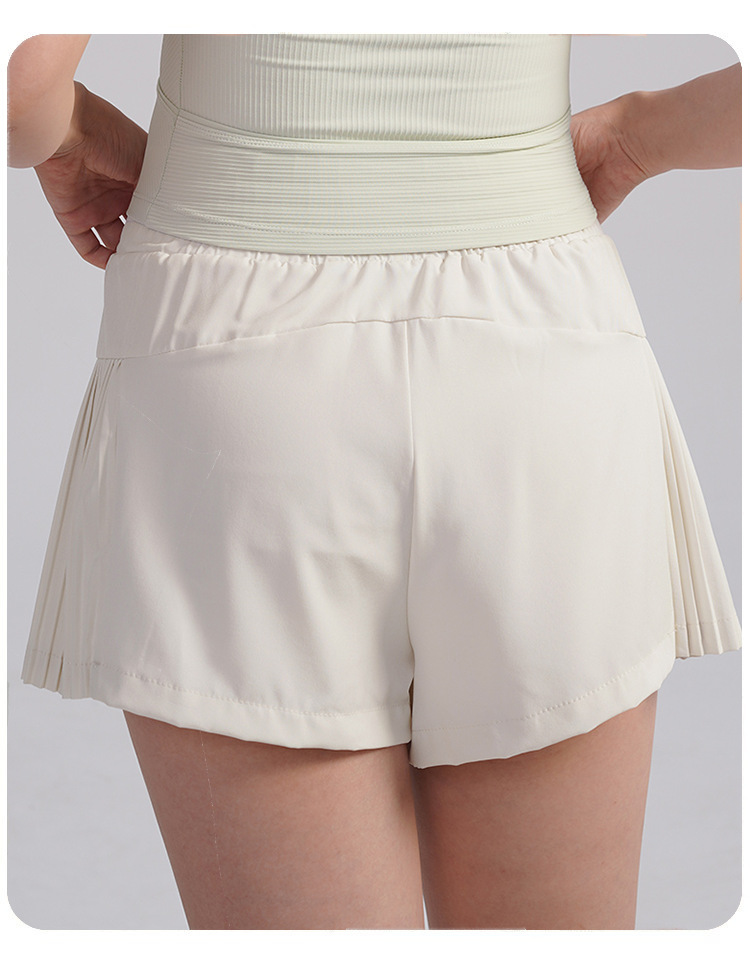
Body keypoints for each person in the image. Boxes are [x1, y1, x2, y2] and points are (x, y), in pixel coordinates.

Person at [9, 34, 741, 930]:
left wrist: (71, 130)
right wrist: (640, 131)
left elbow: (19, 89)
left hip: (231, 366)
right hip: (542, 356)